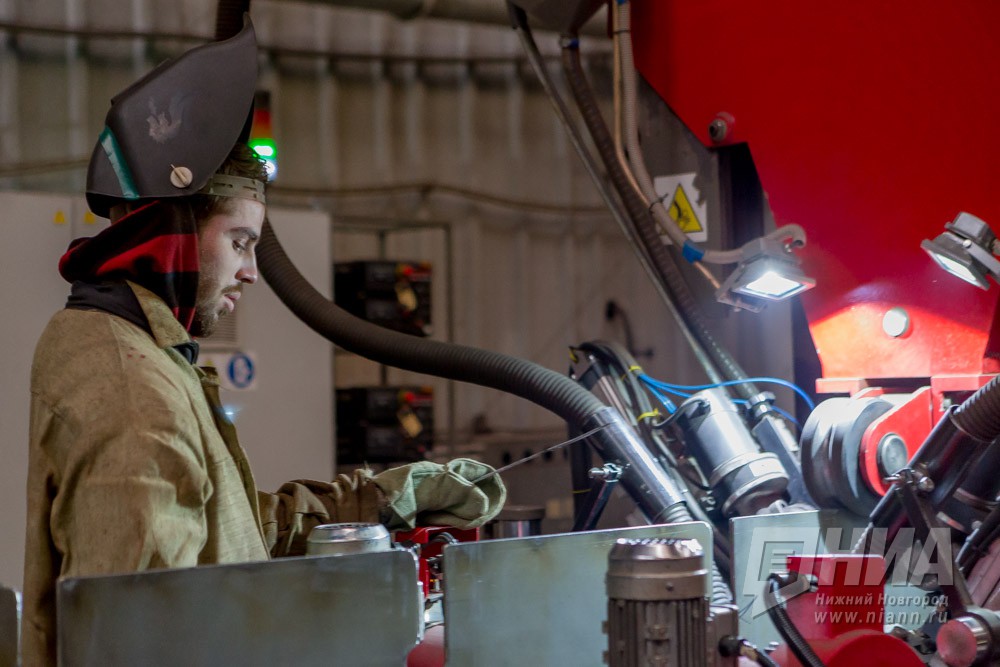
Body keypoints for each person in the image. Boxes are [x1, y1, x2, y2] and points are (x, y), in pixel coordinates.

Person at [22, 19, 504, 665]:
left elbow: (239, 529)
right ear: (175, 233)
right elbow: (141, 629)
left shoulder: (140, 352)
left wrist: (384, 498)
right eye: (240, 241)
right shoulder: (134, 394)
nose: (252, 270)